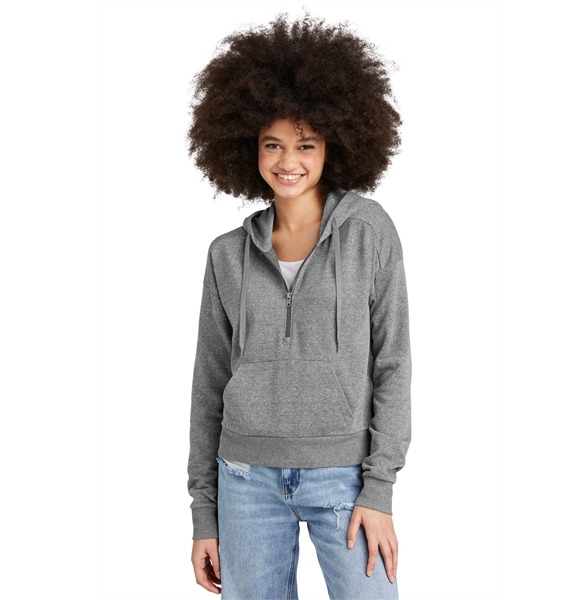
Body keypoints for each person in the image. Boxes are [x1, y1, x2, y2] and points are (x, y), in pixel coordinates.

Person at [186, 12, 412, 599]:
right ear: (249, 148)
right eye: (274, 144)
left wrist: (379, 488)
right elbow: (209, 384)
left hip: (345, 477)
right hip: (244, 480)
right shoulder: (227, 255)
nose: (289, 161)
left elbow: (393, 364)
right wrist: (204, 513)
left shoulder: (368, 233)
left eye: (306, 144)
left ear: (333, 145)